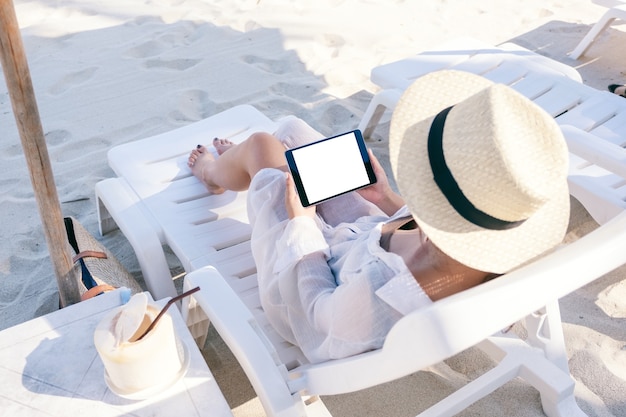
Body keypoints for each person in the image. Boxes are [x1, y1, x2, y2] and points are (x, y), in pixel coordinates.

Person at [187, 70, 571, 363]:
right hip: (366, 240)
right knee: (293, 133)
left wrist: (302, 222)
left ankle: (213, 175)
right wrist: (388, 199)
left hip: (306, 284)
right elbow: (447, 230)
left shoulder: (383, 293)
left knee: (263, 149)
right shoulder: (498, 245)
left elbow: (317, 311)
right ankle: (246, 164)